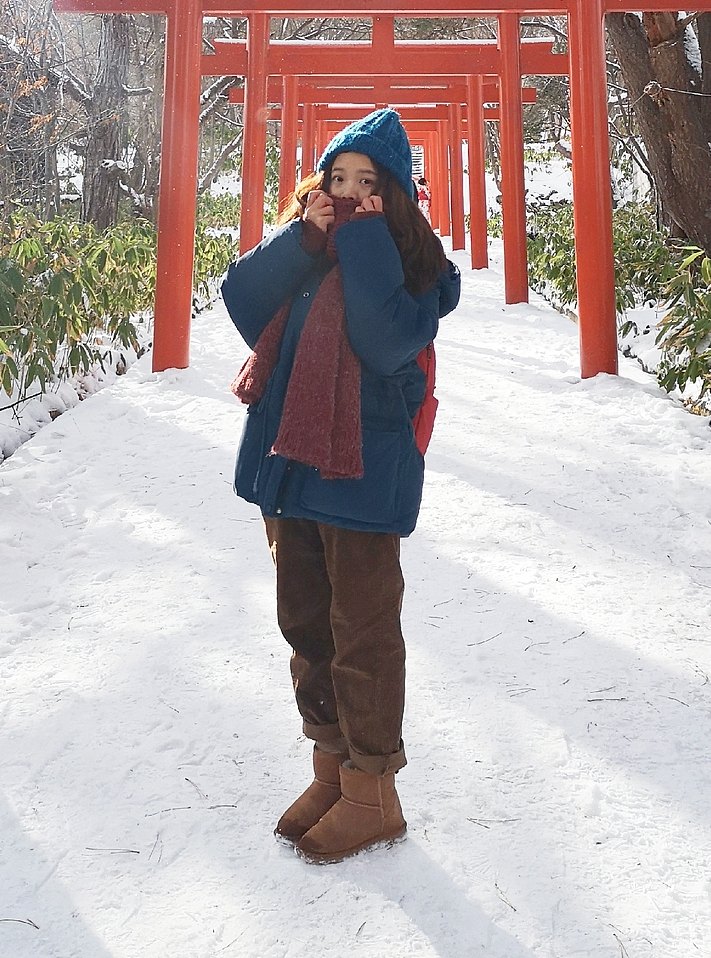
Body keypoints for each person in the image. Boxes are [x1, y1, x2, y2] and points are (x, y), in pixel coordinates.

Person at [222, 108, 461, 864]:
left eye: (369, 183)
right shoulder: (309, 251)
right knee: (306, 625)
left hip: (361, 477)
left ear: (395, 195)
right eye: (338, 179)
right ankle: (330, 768)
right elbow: (240, 298)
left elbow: (383, 335)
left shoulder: (415, 271)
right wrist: (303, 237)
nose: (351, 193)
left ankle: (373, 791)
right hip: (292, 472)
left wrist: (358, 241)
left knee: (362, 634)